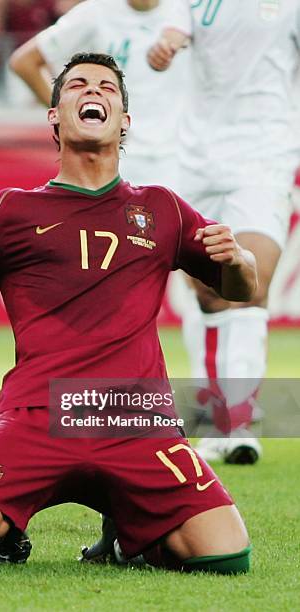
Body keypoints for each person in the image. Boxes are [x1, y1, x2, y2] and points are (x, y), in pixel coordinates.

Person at [0, 53, 256, 573]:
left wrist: (237, 259)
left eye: (108, 87)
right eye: (78, 85)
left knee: (226, 555)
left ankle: (129, 538)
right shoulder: (10, 211)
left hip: (137, 422)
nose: (94, 92)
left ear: (124, 120)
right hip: (37, 414)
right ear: (55, 115)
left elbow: (239, 289)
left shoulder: (163, 208)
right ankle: (11, 532)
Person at [147, 0, 300, 463]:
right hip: (195, 161)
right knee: (209, 294)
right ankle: (217, 421)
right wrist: (166, 45)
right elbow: (173, 28)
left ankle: (241, 422)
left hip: (265, 157)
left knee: (251, 284)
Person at [9, 0, 190, 190]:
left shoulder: (187, 11)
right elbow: (24, 62)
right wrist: (67, 115)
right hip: (120, 159)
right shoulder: (96, 13)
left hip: (183, 160)